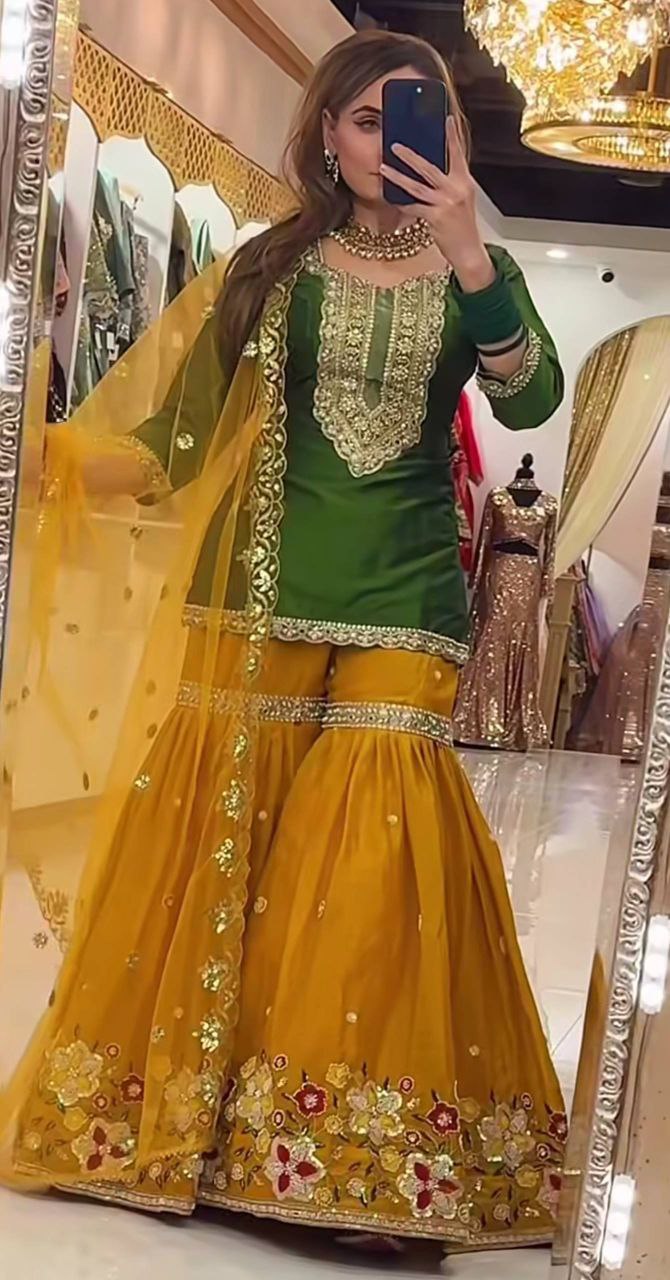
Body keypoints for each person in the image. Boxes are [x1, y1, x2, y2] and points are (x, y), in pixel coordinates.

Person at [1, 30, 566, 1251]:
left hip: (405, 595)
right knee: (221, 844)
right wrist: (48, 457)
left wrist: (468, 243)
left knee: (365, 863)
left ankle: (347, 1158)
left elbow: (529, 396)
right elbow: (176, 442)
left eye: (414, 118)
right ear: (324, 137)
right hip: (252, 595)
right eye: (365, 119)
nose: (387, 141)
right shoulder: (271, 267)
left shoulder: (474, 273)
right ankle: (176, 1128)